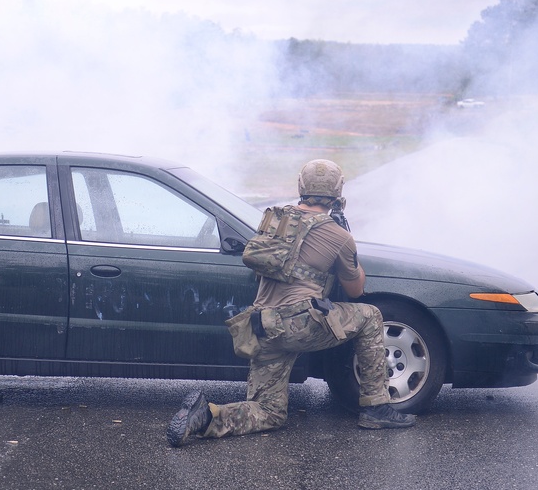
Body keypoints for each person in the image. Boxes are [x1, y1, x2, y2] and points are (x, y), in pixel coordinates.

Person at [167, 159, 415, 447]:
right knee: (370, 315)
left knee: (268, 412)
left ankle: (206, 417)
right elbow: (356, 290)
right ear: (338, 192)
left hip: (262, 327)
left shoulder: (275, 222)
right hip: (300, 326)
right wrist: (350, 256)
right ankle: (375, 408)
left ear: (301, 187)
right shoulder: (339, 236)